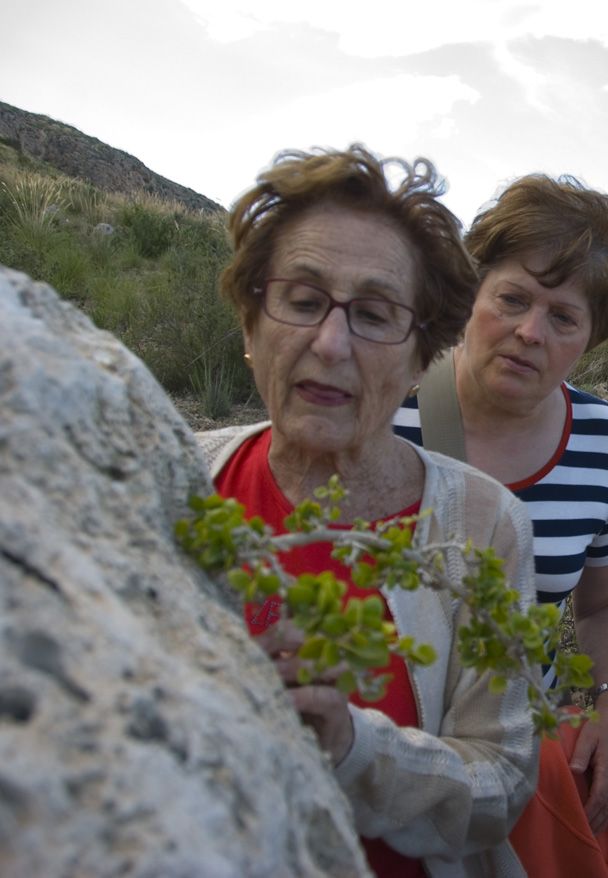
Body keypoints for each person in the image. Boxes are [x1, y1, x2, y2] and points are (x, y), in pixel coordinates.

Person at [196, 145, 538, 877]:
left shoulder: (484, 526)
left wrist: (352, 746)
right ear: (251, 326)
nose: (330, 342)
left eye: (375, 315)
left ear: (420, 359)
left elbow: (503, 784)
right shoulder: (177, 477)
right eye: (302, 301)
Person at [392, 173, 608, 874]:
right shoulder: (385, 404)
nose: (530, 332)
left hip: (511, 749)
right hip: (377, 736)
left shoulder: (602, 440)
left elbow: (605, 601)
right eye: (512, 299)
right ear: (472, 293)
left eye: (564, 318)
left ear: (590, 338)